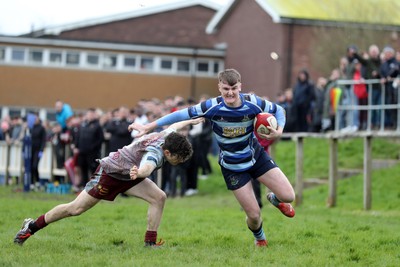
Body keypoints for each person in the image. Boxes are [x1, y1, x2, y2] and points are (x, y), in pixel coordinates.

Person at [128, 68, 295, 247]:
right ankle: (260, 239)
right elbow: (179, 114)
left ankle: (275, 199)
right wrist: (148, 127)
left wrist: (279, 132)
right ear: (219, 88)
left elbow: (280, 111)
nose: (230, 93)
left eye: (234, 88)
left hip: (256, 157)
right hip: (232, 167)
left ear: (240, 87)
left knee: (289, 196)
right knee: (254, 216)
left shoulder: (253, 102)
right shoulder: (211, 107)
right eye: (225, 89)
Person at [14, 118, 201, 247]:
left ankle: (150, 243)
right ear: (168, 153)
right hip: (111, 173)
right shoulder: (156, 152)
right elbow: (147, 167)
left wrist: (191, 121)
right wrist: (140, 172)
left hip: (130, 175)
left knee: (159, 197)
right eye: (179, 158)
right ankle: (31, 226)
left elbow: (175, 125)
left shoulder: (167, 137)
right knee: (75, 209)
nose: (180, 162)